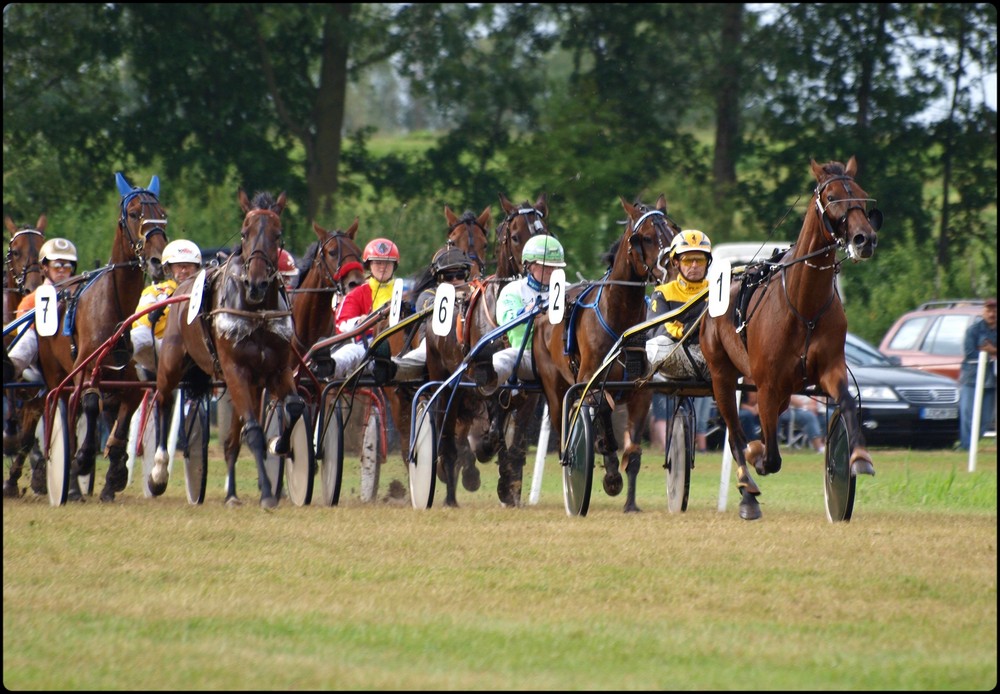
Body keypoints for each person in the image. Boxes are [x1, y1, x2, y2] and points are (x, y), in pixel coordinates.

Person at [473, 234, 566, 395]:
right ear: (528, 265)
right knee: (505, 358)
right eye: (546, 266)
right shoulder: (513, 290)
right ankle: (487, 381)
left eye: (555, 267)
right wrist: (525, 312)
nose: (552, 271)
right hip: (528, 357)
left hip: (563, 357)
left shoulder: (568, 289)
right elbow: (507, 319)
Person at [324, 238, 402, 379]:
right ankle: (329, 365)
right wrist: (359, 321)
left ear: (394, 265)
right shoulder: (357, 294)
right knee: (351, 352)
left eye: (387, 263)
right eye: (377, 262)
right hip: (367, 348)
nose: (382, 267)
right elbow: (341, 323)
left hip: (402, 348)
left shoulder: (404, 292)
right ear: (369, 266)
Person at [645, 230, 713, 380]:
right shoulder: (663, 292)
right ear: (676, 262)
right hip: (679, 359)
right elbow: (657, 331)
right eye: (688, 260)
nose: (694, 265)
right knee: (656, 346)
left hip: (713, 359)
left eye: (699, 260)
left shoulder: (720, 290)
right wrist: (688, 331)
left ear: (707, 262)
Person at [7, 238, 78, 381]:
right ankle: (12, 368)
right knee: (28, 339)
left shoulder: (80, 294)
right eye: (57, 265)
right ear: (45, 267)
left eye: (67, 266)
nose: (62, 269)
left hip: (72, 346)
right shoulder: (31, 300)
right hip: (42, 352)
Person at [129, 239, 202, 374]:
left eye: (189, 265)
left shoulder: (205, 292)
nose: (184, 270)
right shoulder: (155, 291)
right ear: (168, 268)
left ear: (197, 268)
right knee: (139, 335)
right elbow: (141, 324)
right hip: (163, 350)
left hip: (198, 352)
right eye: (179, 265)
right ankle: (118, 361)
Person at [958, 297, 997, 451]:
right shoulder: (973, 330)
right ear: (983, 311)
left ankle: (973, 444)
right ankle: (966, 447)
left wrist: (992, 350)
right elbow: (970, 353)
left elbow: (987, 350)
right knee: (968, 415)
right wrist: (988, 354)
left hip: (991, 380)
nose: (992, 313)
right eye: (989, 310)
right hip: (971, 378)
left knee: (986, 419)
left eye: (994, 310)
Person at [738, 389, 825, 452]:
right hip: (791, 409)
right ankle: (818, 446)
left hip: (762, 409)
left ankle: (826, 445)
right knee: (750, 415)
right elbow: (737, 402)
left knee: (829, 415)